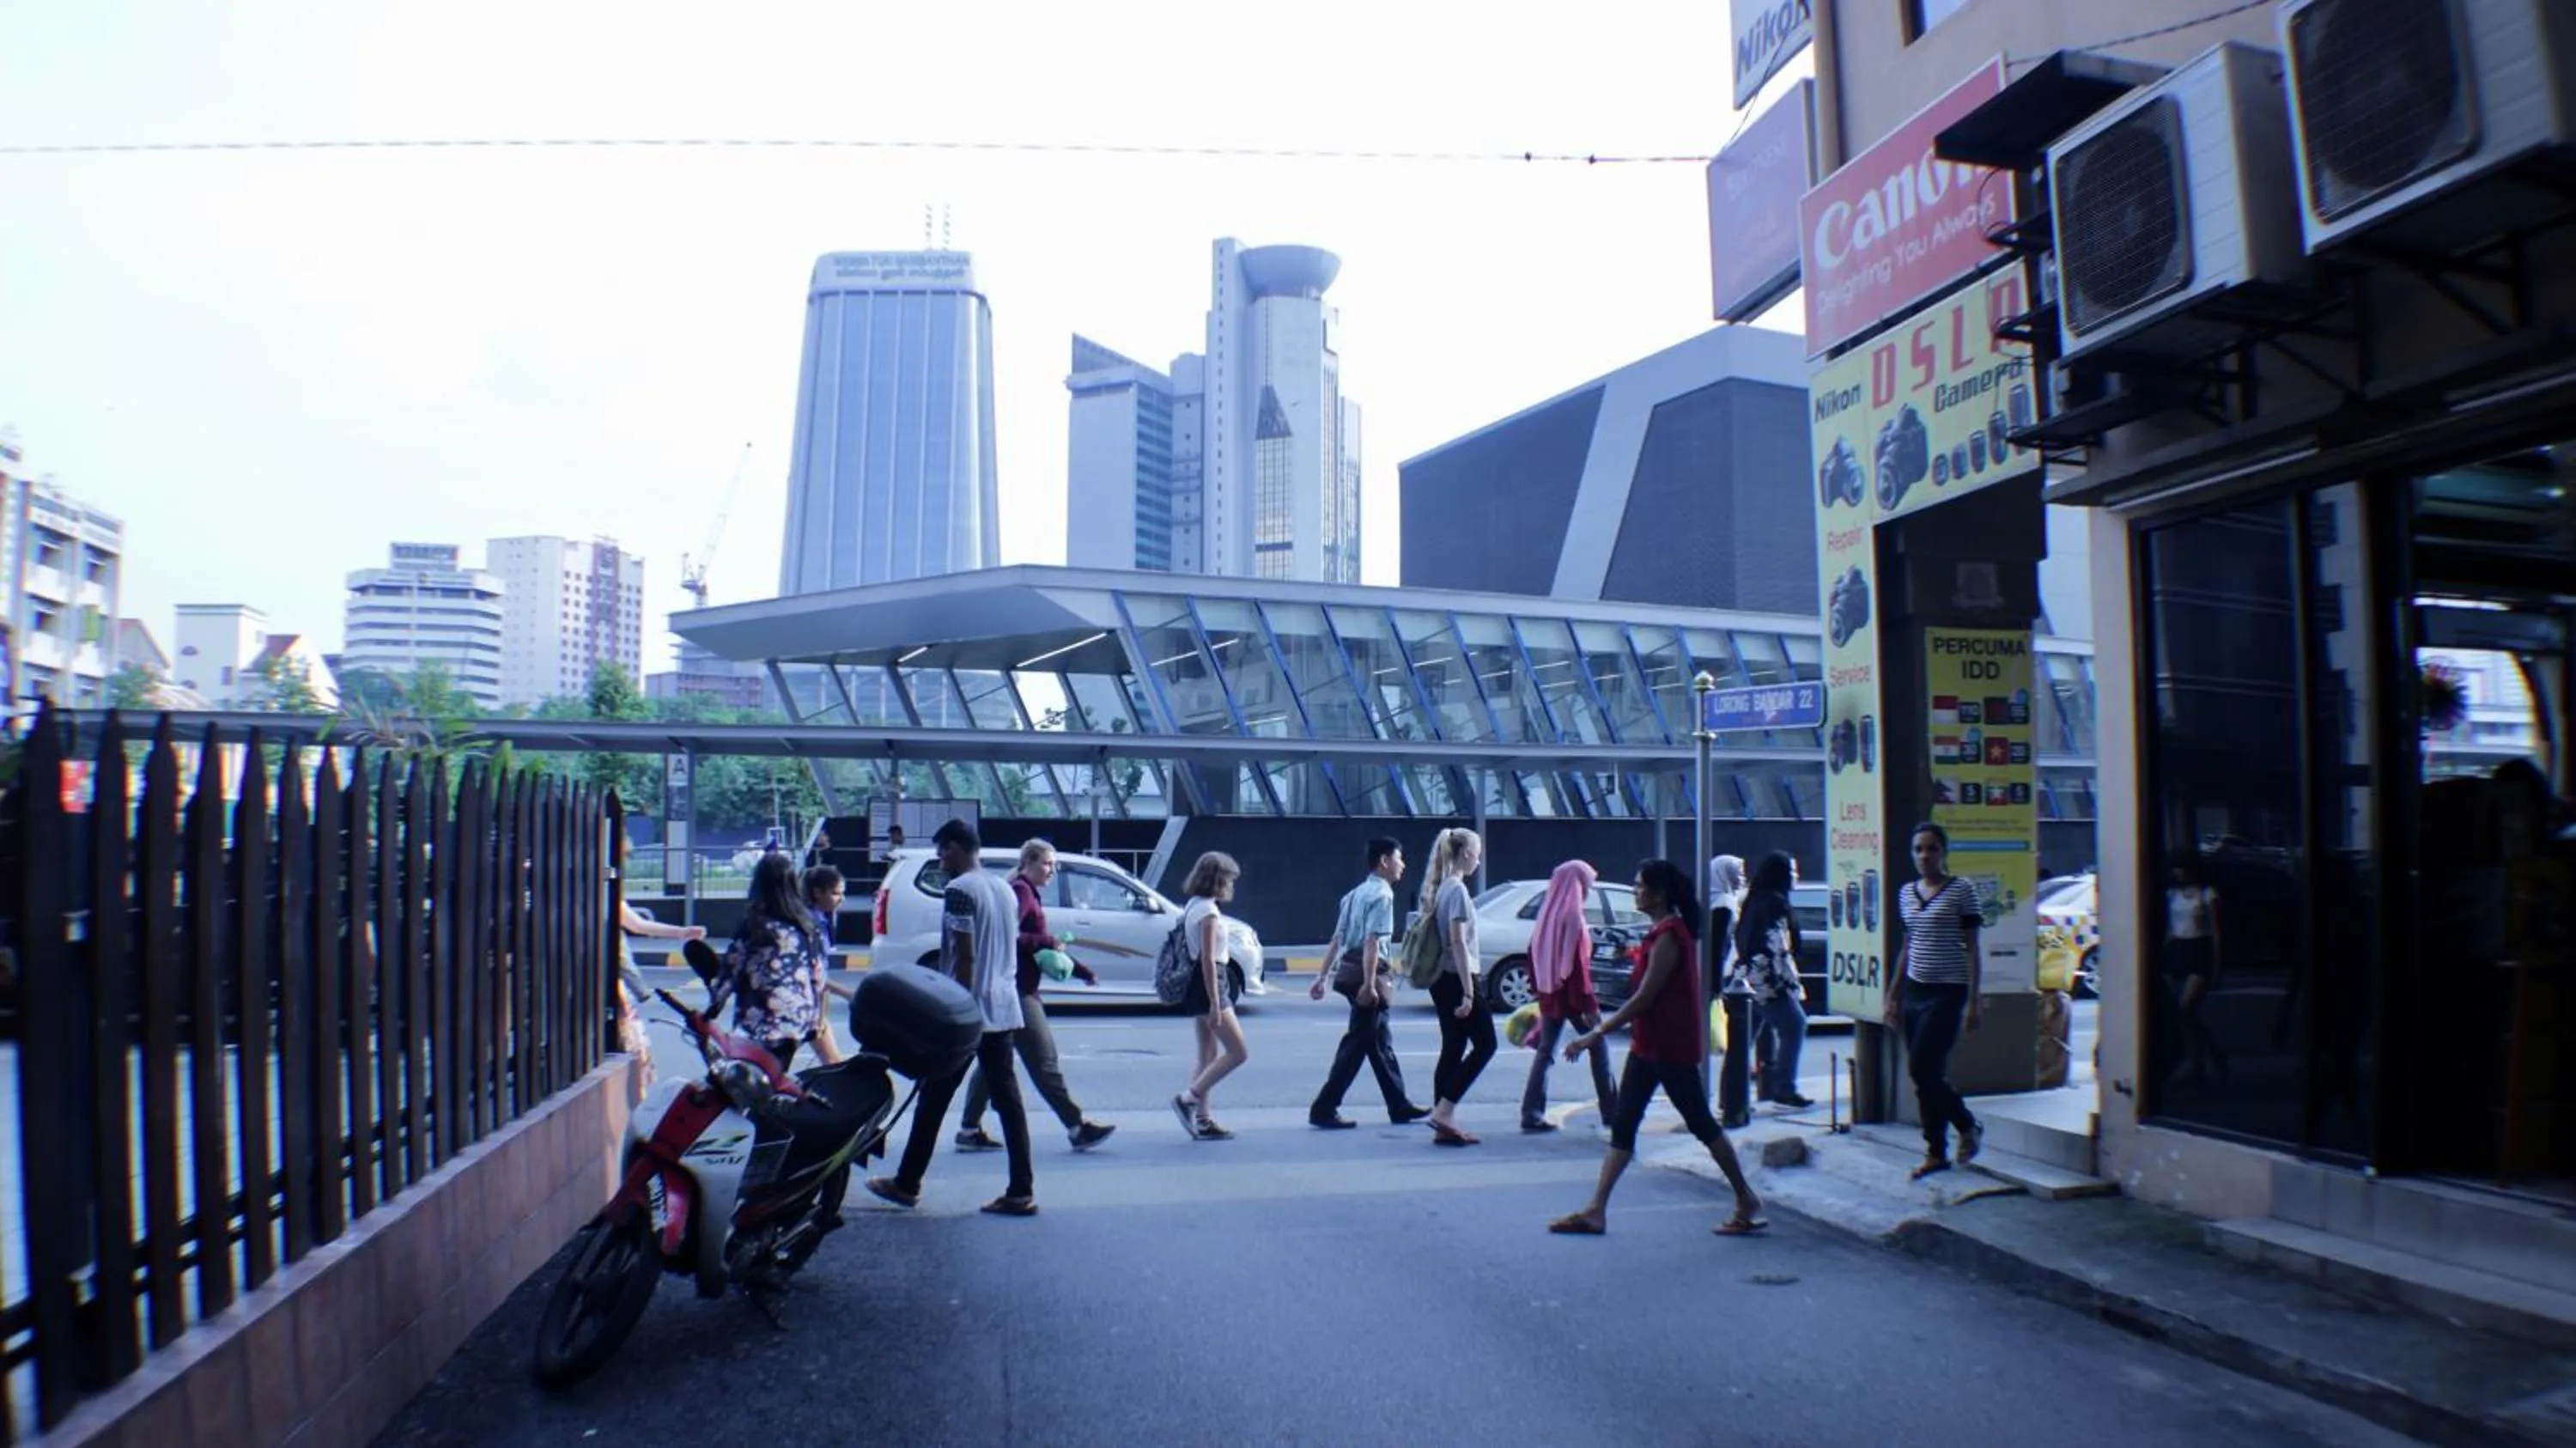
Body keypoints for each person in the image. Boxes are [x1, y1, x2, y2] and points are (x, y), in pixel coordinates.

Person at [1549, 859, 1765, 1238]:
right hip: (1648, 1046)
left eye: (1639, 886)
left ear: (1659, 893)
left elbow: (1646, 996)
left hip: (1669, 1048)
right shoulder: (1661, 932)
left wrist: (1594, 1034)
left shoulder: (1670, 934)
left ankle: (1746, 1199)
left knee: (1701, 1123)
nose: (1635, 892)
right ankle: (1596, 1209)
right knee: (1625, 1124)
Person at [867, 819, 1039, 1216]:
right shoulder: (1003, 888)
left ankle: (907, 1183)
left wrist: (952, 1009)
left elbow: (965, 954)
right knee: (1007, 1102)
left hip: (969, 1012)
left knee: (932, 1100)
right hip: (1002, 1008)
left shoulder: (960, 890)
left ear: (960, 848)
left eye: (944, 850)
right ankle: (1021, 1189)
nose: (941, 858)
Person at [957, 840, 1119, 1153]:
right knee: (1044, 1061)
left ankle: (968, 1129)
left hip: (1017, 987)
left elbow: (1042, 947)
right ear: (1028, 862)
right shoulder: (1021, 891)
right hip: (1018, 991)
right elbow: (1013, 937)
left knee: (995, 1061)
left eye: (1053, 865)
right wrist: (1048, 941)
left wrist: (1081, 971)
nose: (1052, 871)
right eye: (1046, 864)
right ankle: (1076, 1127)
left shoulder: (1026, 892)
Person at [1308, 837, 1431, 1129]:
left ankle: (1398, 1104)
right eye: (1399, 859)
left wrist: (1321, 977)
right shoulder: (1383, 896)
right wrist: (1369, 984)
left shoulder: (1354, 894)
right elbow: (1373, 941)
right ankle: (1324, 1107)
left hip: (1350, 972)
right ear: (1385, 861)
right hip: (1368, 976)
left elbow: (1338, 939)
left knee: (1378, 1042)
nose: (1403, 865)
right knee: (1357, 1044)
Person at [1887, 822, 1984, 1180]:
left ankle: (1967, 1125)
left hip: (1948, 991)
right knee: (1927, 1076)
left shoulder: (1962, 890)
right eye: (1918, 849)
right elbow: (1907, 946)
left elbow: (1973, 948)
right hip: (1916, 990)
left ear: (1944, 852)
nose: (1925, 856)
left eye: (1932, 849)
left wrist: (1975, 1000)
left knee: (1921, 1067)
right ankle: (1935, 1151)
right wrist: (1893, 996)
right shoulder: (1907, 893)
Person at [1518, 860, 1617, 1134]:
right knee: (1599, 1046)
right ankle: (1612, 1111)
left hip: (1551, 993)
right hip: (1571, 996)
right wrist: (1589, 1005)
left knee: (1546, 1052)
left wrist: (1543, 991)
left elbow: (1532, 957)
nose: (1588, 889)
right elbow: (1576, 967)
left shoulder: (1547, 914)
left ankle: (1531, 1112)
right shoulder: (1572, 915)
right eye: (1586, 884)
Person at [708, 853, 827, 1073]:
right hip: (798, 1021)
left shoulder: (754, 926)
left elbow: (730, 971)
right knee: (773, 1080)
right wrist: (816, 1021)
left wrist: (713, 1008)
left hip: (763, 1024)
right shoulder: (807, 926)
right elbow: (818, 978)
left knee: (752, 1088)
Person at [1420, 828, 1498, 1147]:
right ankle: (1444, 1111)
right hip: (1456, 978)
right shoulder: (1457, 892)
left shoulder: (1440, 888)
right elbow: (1458, 943)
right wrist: (1469, 991)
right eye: (1477, 852)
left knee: (1453, 1046)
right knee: (1485, 1045)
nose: (1479, 859)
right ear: (1466, 853)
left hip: (1442, 978)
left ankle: (1443, 1124)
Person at [1171, 851, 1251, 1141]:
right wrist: (1216, 1002)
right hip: (1209, 984)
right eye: (1230, 879)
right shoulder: (1209, 913)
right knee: (1238, 1052)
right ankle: (1188, 1100)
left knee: (1208, 1053)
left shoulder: (1194, 905)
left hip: (1198, 984)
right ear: (1219, 880)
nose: (1232, 885)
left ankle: (1203, 1119)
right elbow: (1208, 959)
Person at [1737, 852, 1811, 1110]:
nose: (1796, 877)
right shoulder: (1776, 903)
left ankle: (1732, 1096)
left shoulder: (1754, 900)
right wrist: (1784, 983)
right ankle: (1785, 1088)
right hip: (1769, 981)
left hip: (1750, 978)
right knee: (1795, 1025)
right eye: (1792, 872)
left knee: (1743, 1039)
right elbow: (1778, 945)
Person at [2162, 855, 2226, 1084]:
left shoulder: (2207, 894)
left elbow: (2217, 931)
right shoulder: (2172, 894)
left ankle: (2213, 1054)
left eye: (2183, 868)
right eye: (2176, 869)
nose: (2179, 873)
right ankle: (2198, 1063)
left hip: (2199, 949)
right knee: (2183, 1014)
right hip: (2178, 949)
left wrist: (2217, 964)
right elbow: (2170, 928)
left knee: (2186, 1007)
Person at [1709, 854, 1753, 1125]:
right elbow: (1719, 947)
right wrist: (1715, 986)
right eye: (1736, 872)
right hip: (1723, 977)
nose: (1741, 877)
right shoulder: (1724, 904)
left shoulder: (1712, 898)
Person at [799, 866, 849, 1064]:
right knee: (832, 1064)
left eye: (842, 893)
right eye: (836, 893)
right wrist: (848, 994)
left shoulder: (822, 920)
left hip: (811, 1007)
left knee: (832, 1063)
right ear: (817, 893)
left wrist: (822, 1015)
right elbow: (815, 975)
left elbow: (822, 972)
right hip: (800, 1006)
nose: (841, 899)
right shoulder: (808, 924)